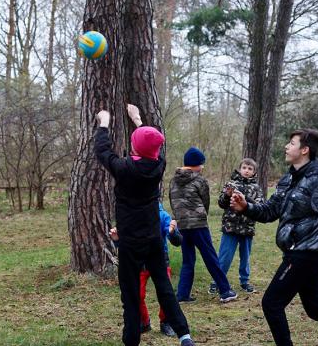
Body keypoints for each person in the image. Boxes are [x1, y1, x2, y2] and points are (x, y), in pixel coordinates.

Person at [230, 129, 318, 345]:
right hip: (298, 252)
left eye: (291, 143)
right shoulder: (289, 177)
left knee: (272, 303)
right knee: (315, 309)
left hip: (305, 254)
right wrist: (246, 207)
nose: (286, 147)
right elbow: (270, 210)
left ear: (304, 150)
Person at [95, 105, 194, 346]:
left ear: (133, 147)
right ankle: (184, 335)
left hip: (129, 242)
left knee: (130, 295)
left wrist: (104, 123)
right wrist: (138, 120)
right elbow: (154, 147)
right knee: (163, 286)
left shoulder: (124, 168)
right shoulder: (158, 166)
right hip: (152, 239)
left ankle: (132, 340)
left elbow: (102, 151)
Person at [169, 146, 237, 303]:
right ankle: (225, 291)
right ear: (195, 164)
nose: (203, 167)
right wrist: (201, 216)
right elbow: (205, 202)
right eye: (201, 163)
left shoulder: (173, 181)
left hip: (183, 225)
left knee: (188, 260)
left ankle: (182, 294)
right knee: (210, 257)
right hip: (198, 226)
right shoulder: (200, 180)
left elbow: (173, 202)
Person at [109, 203, 183, 338]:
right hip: (139, 263)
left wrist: (173, 232)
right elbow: (127, 243)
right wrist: (117, 240)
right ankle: (143, 322)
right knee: (137, 294)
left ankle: (166, 322)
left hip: (160, 261)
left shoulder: (161, 215)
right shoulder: (130, 217)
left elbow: (177, 241)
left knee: (165, 294)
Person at [209, 158, 264, 295]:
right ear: (240, 169)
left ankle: (245, 281)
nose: (246, 170)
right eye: (244, 167)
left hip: (247, 227)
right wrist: (227, 195)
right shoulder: (231, 184)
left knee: (245, 257)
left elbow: (260, 207)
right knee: (224, 256)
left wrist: (246, 199)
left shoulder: (256, 188)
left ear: (254, 172)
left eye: (250, 169)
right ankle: (217, 281)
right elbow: (221, 204)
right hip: (230, 227)